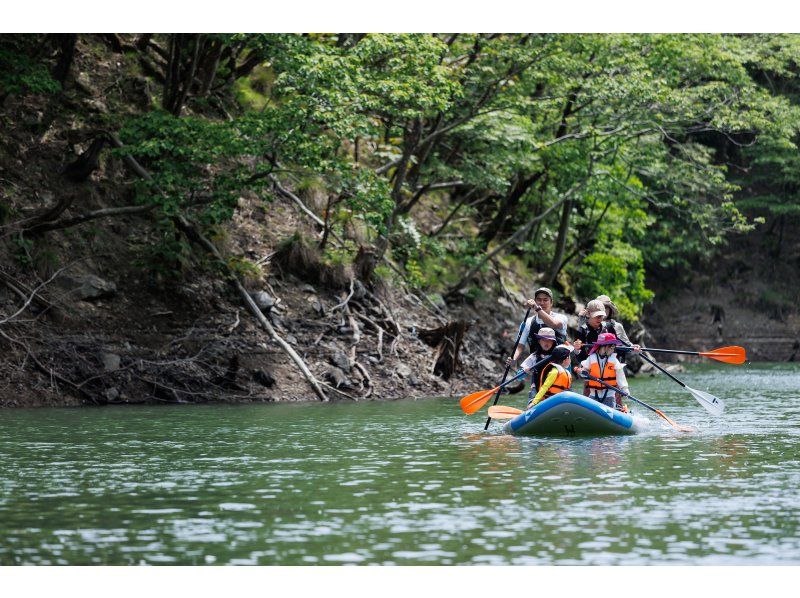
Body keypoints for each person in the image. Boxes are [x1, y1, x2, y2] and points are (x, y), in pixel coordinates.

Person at [574, 332, 629, 411]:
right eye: (611, 346)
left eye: (614, 347)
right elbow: (585, 372)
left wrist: (624, 389)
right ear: (604, 346)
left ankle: (619, 411)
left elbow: (620, 376)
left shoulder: (614, 360)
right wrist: (581, 372)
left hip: (609, 396)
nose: (613, 349)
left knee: (609, 410)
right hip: (593, 395)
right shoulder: (591, 358)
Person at [517, 287, 568, 355]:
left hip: (559, 363)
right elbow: (519, 347)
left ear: (551, 302)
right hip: (536, 362)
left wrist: (536, 308)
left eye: (545, 300)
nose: (542, 303)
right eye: (539, 300)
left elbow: (553, 324)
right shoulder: (528, 322)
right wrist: (513, 359)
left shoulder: (561, 318)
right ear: (535, 301)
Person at [506, 327, 557, 392]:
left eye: (549, 340)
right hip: (537, 390)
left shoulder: (557, 355)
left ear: (553, 342)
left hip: (554, 389)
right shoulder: (534, 356)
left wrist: (574, 351)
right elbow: (519, 377)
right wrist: (524, 372)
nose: (547, 342)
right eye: (544, 340)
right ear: (539, 341)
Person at [524, 345, 573, 409]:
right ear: (565, 360)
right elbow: (544, 387)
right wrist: (534, 402)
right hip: (550, 402)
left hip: (561, 402)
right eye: (569, 358)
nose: (570, 360)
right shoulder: (554, 372)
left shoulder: (566, 372)